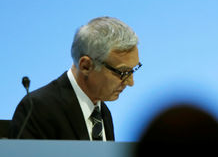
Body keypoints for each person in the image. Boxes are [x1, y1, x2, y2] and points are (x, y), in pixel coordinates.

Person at [9, 16, 140, 140]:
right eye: (122, 72)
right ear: (86, 66)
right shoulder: (37, 109)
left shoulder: (102, 112)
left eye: (133, 70)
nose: (130, 82)